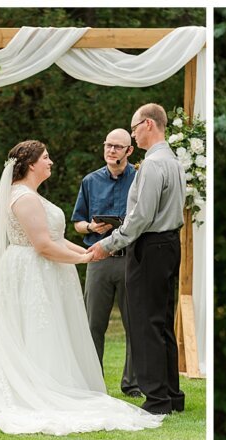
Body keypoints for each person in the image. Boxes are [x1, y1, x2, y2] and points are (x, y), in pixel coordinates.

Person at [0, 140, 163, 435]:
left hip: (43, 271)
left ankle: (52, 384)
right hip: (29, 272)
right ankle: (33, 391)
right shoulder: (23, 198)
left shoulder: (31, 195)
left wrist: (85, 253)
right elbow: (42, 245)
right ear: (30, 164)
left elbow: (54, 237)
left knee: (48, 329)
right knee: (32, 329)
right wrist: (82, 259)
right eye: (46, 157)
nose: (51, 162)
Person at [89, 104, 186, 415]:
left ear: (147, 124)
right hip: (171, 244)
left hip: (150, 246)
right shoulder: (174, 161)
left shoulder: (153, 165)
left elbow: (140, 217)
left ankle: (156, 399)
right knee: (163, 322)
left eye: (133, 129)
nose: (132, 135)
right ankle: (172, 395)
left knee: (145, 323)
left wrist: (109, 243)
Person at [72, 129, 140, 398]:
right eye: (108, 146)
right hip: (98, 258)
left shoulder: (140, 179)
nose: (111, 151)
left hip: (130, 260)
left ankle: (132, 383)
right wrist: (91, 226)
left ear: (129, 151)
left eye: (117, 147)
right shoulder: (90, 181)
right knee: (92, 324)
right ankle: (93, 383)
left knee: (133, 324)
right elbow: (77, 222)